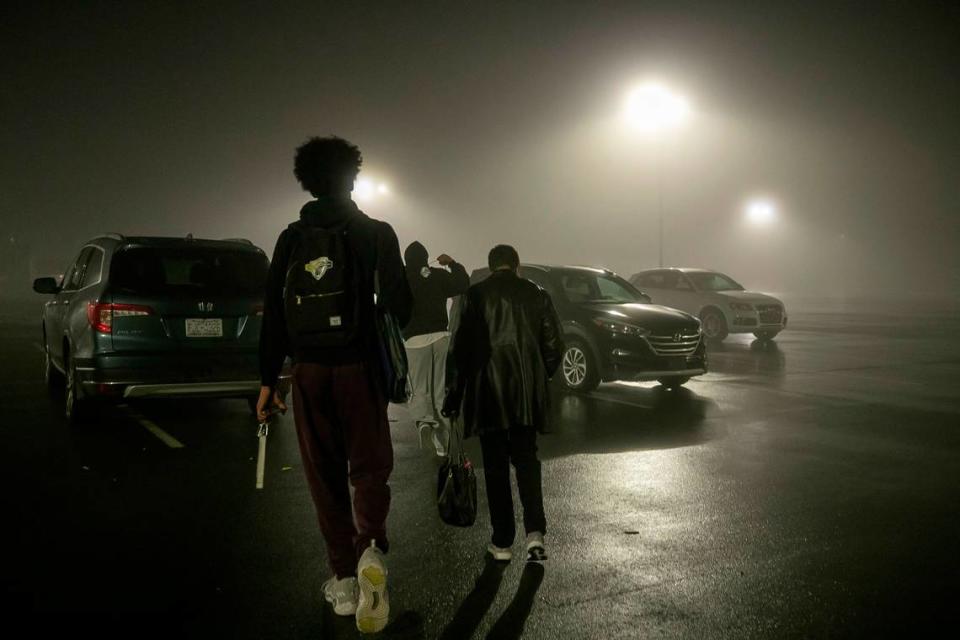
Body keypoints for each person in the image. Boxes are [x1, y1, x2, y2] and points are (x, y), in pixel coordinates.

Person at [257, 135, 412, 634]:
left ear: (306, 180)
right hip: (359, 367)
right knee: (369, 466)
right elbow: (402, 308)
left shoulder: (290, 239)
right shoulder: (376, 232)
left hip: (308, 371)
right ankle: (371, 545)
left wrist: (267, 380)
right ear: (354, 177)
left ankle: (344, 581)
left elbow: (274, 316)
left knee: (323, 474)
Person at [442, 245, 563, 562]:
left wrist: (452, 397)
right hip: (525, 396)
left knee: (495, 468)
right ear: (517, 265)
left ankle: (502, 541)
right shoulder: (537, 293)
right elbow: (554, 344)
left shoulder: (475, 296)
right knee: (527, 461)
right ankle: (535, 533)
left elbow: (459, 352)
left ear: (491, 266)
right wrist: (539, 374)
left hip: (488, 395)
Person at [402, 241, 470, 456]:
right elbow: (462, 284)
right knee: (440, 388)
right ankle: (446, 441)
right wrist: (452, 264)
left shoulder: (402, 278)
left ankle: (424, 422)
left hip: (414, 340)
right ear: (425, 257)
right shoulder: (438, 275)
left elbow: (388, 300)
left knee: (420, 387)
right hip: (441, 337)